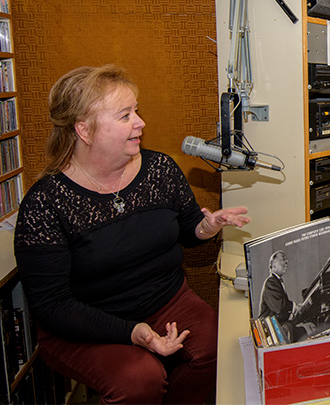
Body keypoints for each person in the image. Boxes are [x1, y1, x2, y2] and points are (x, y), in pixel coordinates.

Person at [14, 64, 250, 404]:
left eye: (136, 111)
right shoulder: (45, 203)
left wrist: (205, 227)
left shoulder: (159, 169)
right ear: (84, 130)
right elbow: (53, 306)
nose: (141, 123)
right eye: (125, 115)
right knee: (139, 381)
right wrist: (133, 332)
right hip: (86, 323)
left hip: (166, 299)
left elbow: (186, 229)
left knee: (222, 346)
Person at [258, 250, 311, 342]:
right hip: (270, 327)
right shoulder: (270, 282)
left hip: (278, 323)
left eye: (286, 260)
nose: (286, 262)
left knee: (305, 329)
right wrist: (295, 307)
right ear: (273, 265)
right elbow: (279, 307)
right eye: (283, 259)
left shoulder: (276, 281)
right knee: (305, 331)